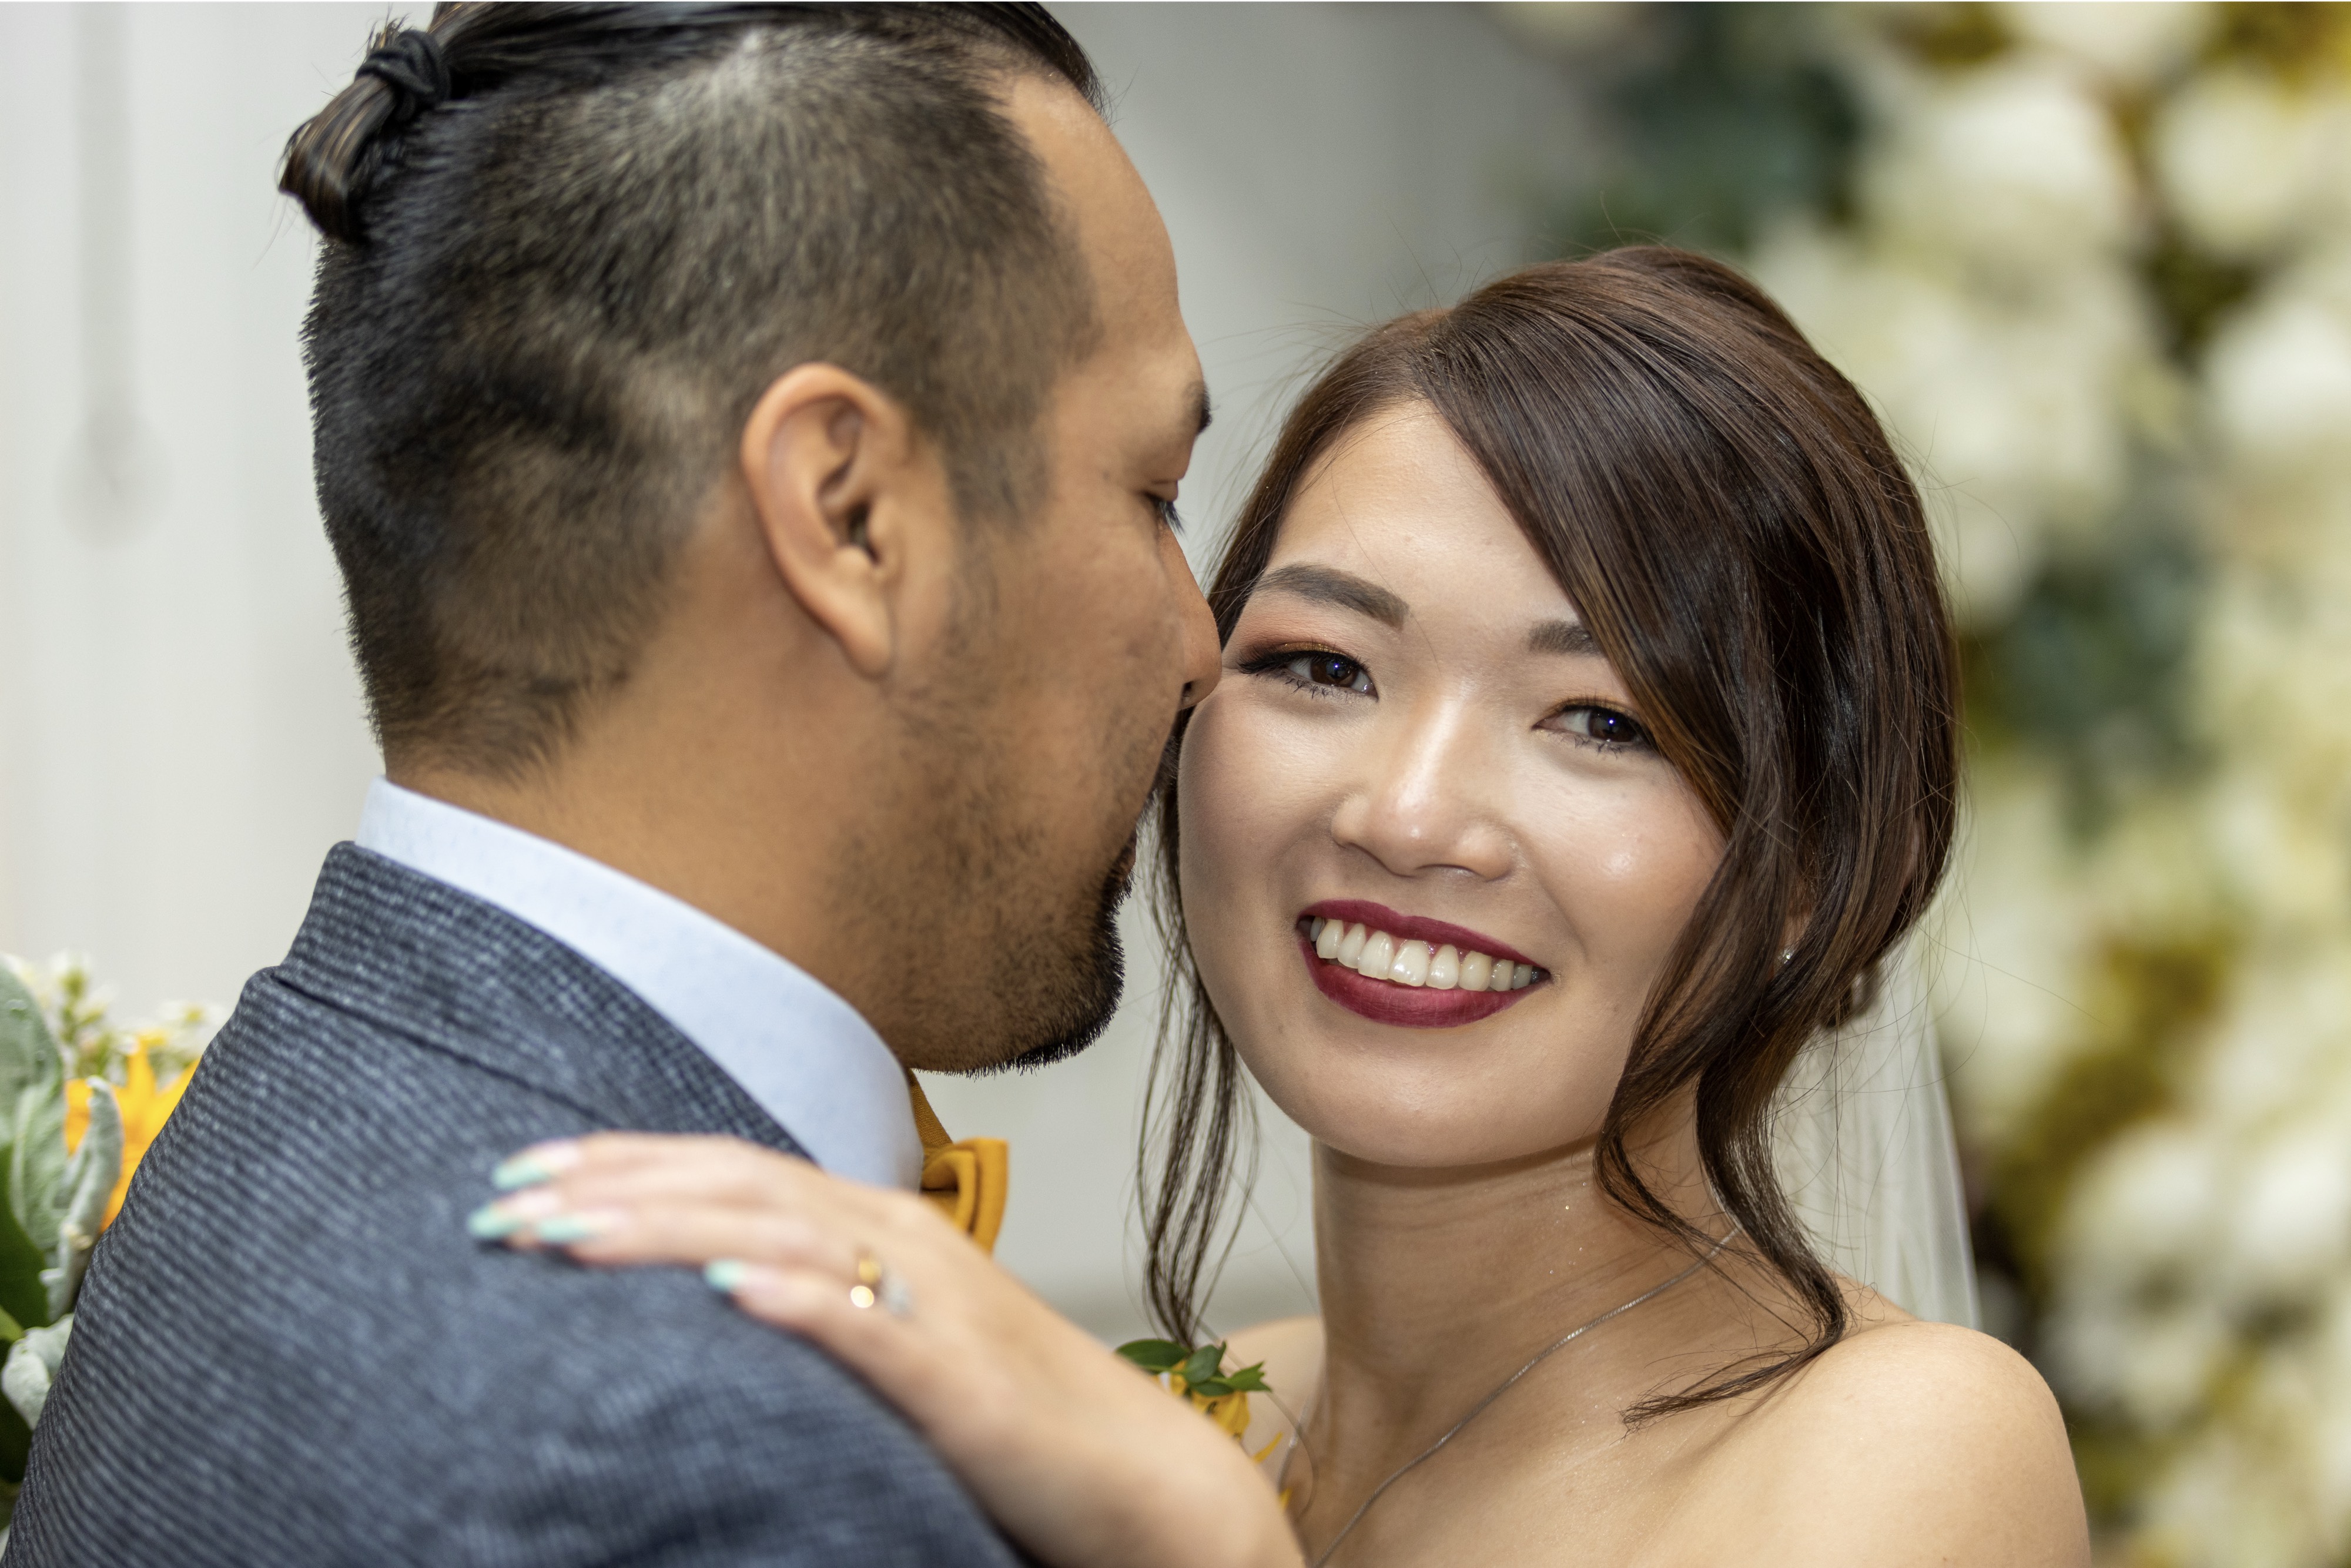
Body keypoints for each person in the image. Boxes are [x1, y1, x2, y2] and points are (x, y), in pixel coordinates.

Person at [470, 250, 2094, 1566]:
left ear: (1815, 863)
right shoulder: (1196, 1408)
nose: (1404, 813)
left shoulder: (1903, 1444)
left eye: (1599, 720)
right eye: (1324, 665)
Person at [4, 4, 1250, 1562]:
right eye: (1156, 492)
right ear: (849, 513)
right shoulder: (728, 1457)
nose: (1201, 648)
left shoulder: (255, 1131)